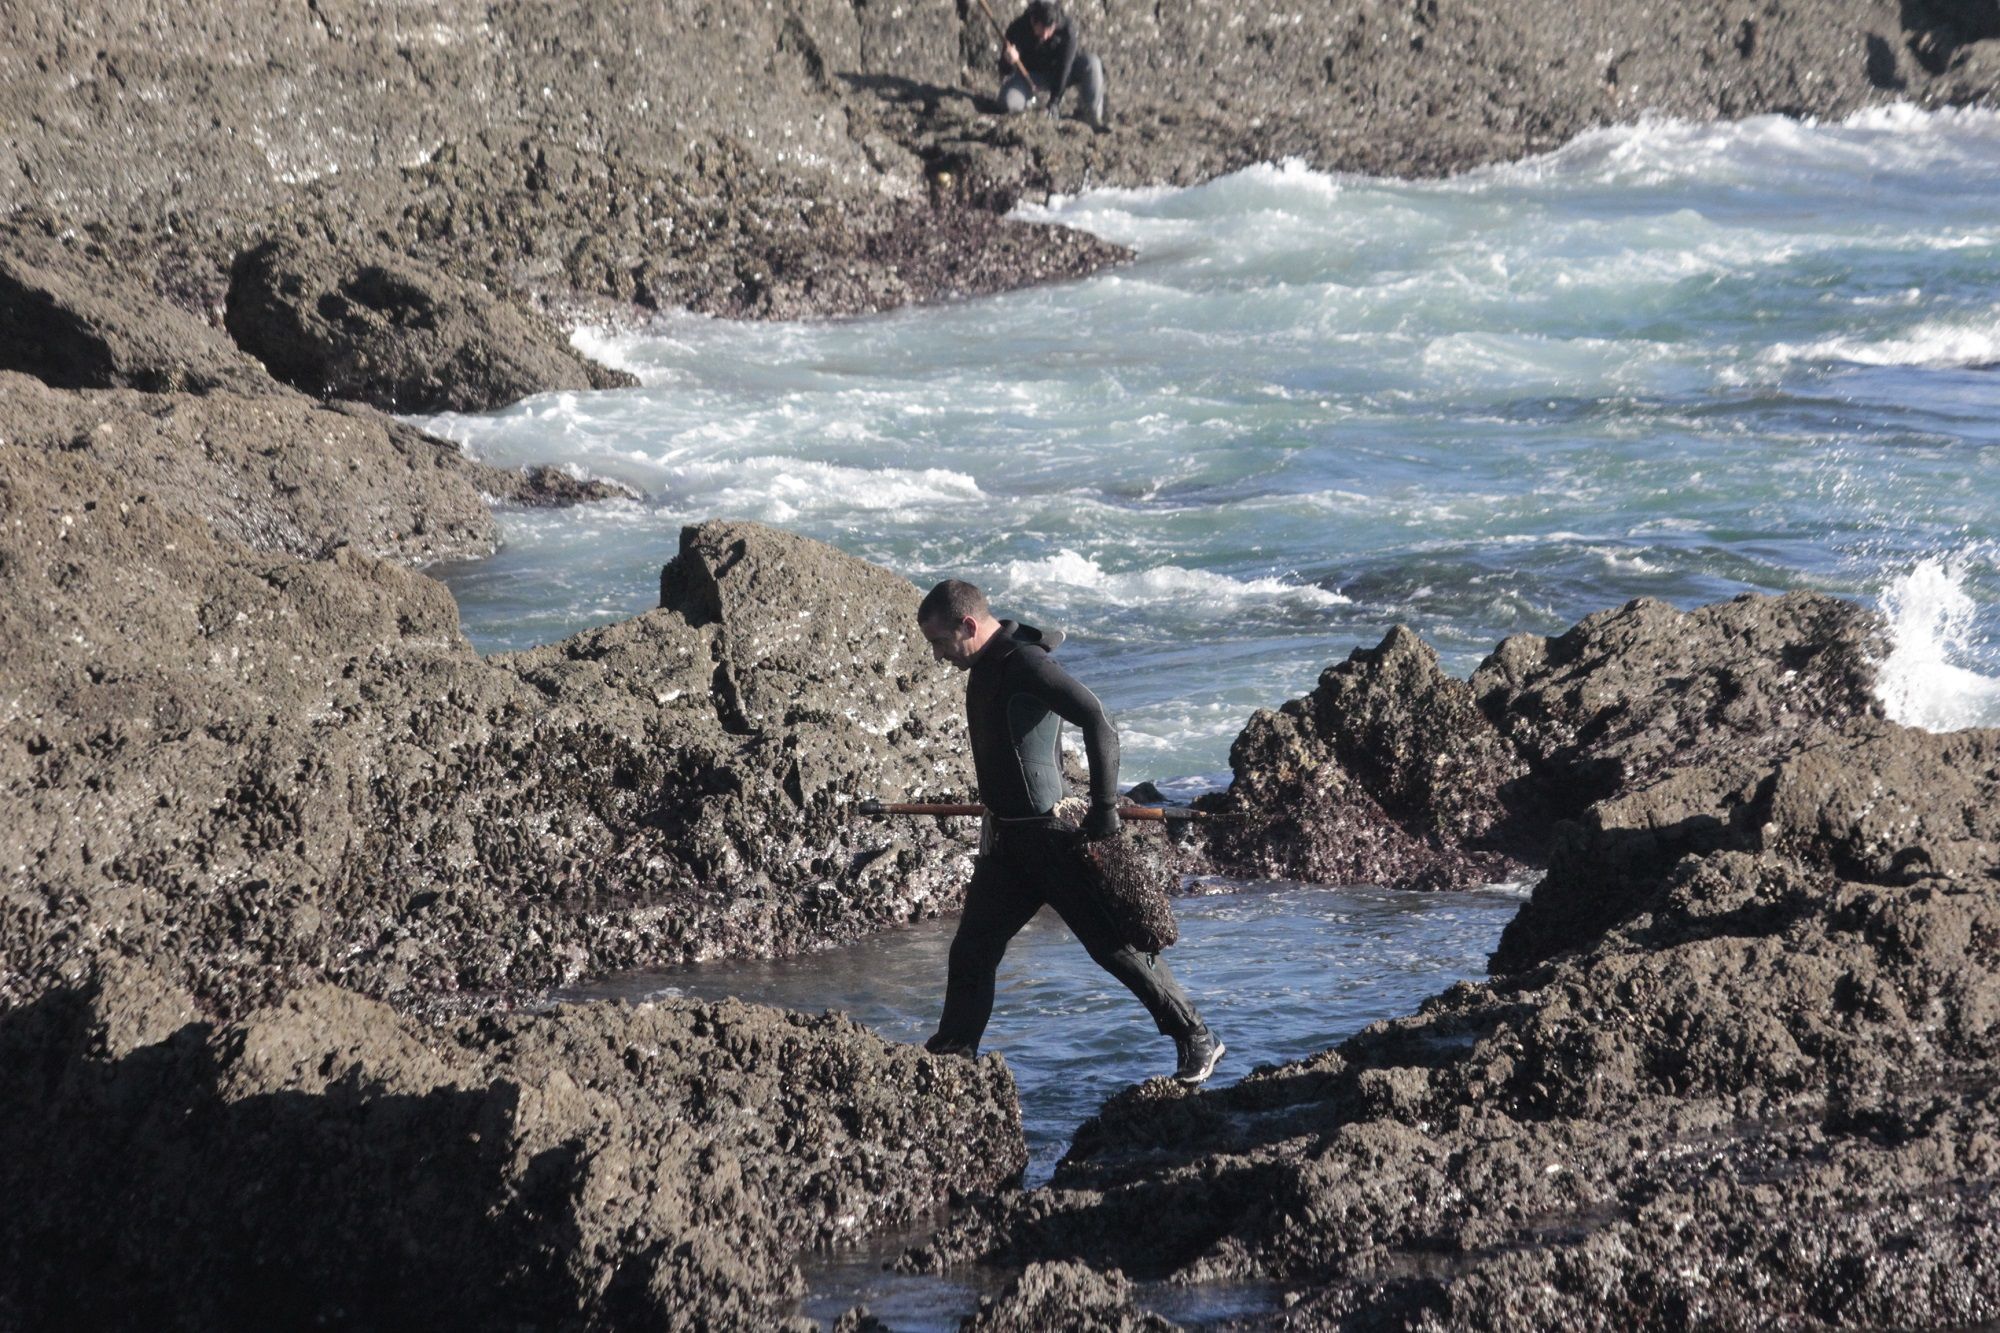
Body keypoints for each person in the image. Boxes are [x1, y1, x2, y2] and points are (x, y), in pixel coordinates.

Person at [915, 578, 1223, 1085]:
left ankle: (1197, 1037)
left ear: (968, 625)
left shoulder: (1026, 664)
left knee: (1113, 946)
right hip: (1008, 843)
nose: (938, 655)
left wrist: (1104, 808)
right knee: (972, 948)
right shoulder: (984, 663)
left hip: (1051, 838)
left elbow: (1098, 720)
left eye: (940, 643)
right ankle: (955, 1049)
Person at [999, 0, 1107, 129]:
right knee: (1007, 103)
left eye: (1049, 31)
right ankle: (1029, 106)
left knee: (1092, 63)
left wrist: (1054, 102)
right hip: (1030, 76)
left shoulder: (1067, 30)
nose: (1045, 36)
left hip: (1061, 74)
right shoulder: (1017, 28)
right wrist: (1009, 60)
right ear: (1033, 21)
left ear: (1055, 25)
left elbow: (1065, 68)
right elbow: (1004, 70)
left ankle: (1090, 115)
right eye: (1041, 30)